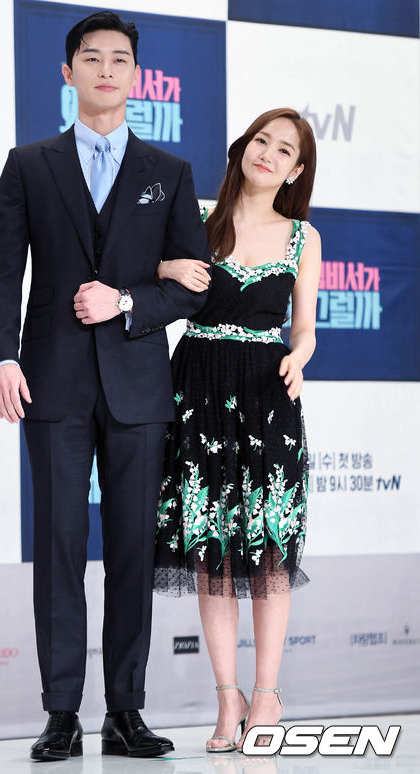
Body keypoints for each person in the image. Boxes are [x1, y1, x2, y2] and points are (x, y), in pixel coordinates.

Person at [0, 11, 210, 761]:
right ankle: (59, 714)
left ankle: (126, 711)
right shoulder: (29, 163)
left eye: (119, 60)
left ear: (136, 76)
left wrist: (130, 301)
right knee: (58, 548)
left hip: (139, 385)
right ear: (67, 72)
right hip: (51, 382)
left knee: (133, 553)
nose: (105, 70)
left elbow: (194, 285)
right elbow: (2, 271)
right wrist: (0, 358)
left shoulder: (169, 172)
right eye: (91, 58)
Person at [153, 108, 321, 752]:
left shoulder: (303, 237)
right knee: (211, 549)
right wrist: (166, 270)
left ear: (296, 171)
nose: (267, 154)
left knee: (268, 550)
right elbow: (148, 274)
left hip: (266, 393)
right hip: (197, 386)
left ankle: (267, 695)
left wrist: (299, 356)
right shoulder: (197, 217)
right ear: (243, 147)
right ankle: (228, 700)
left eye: (284, 150)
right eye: (261, 141)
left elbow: (304, 327)